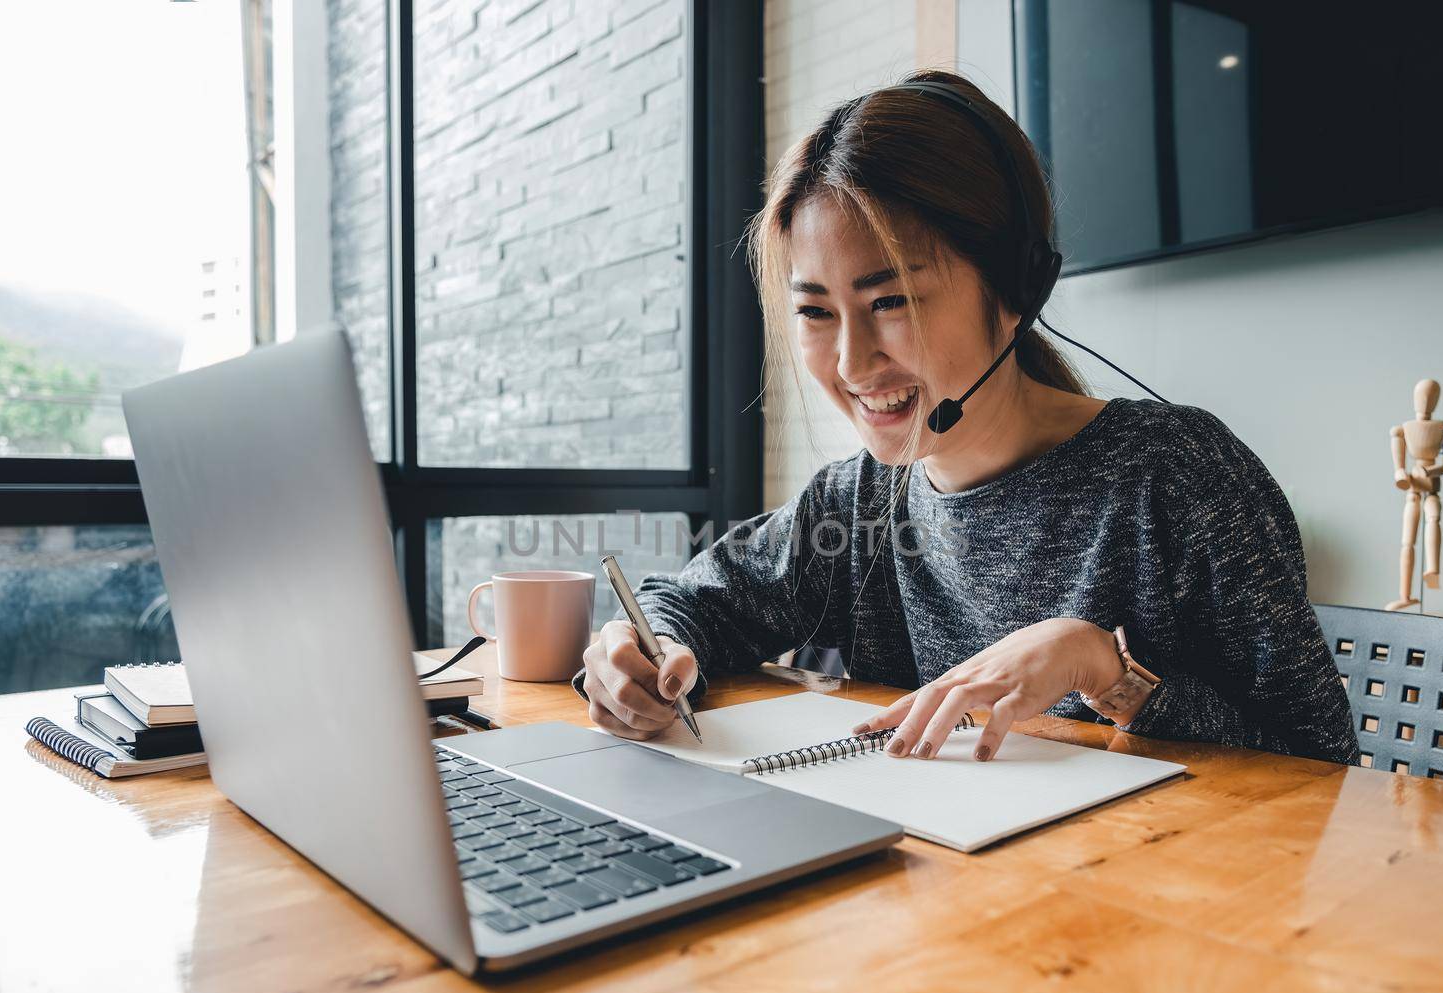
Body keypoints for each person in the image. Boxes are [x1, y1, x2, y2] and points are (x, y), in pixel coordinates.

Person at [574, 70, 1358, 766]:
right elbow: (695, 600)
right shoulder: (857, 502)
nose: (850, 364)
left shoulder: (1177, 476)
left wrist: (1110, 674)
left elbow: (1328, 772)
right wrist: (645, 652)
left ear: (1017, 286)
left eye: (892, 302)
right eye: (816, 312)